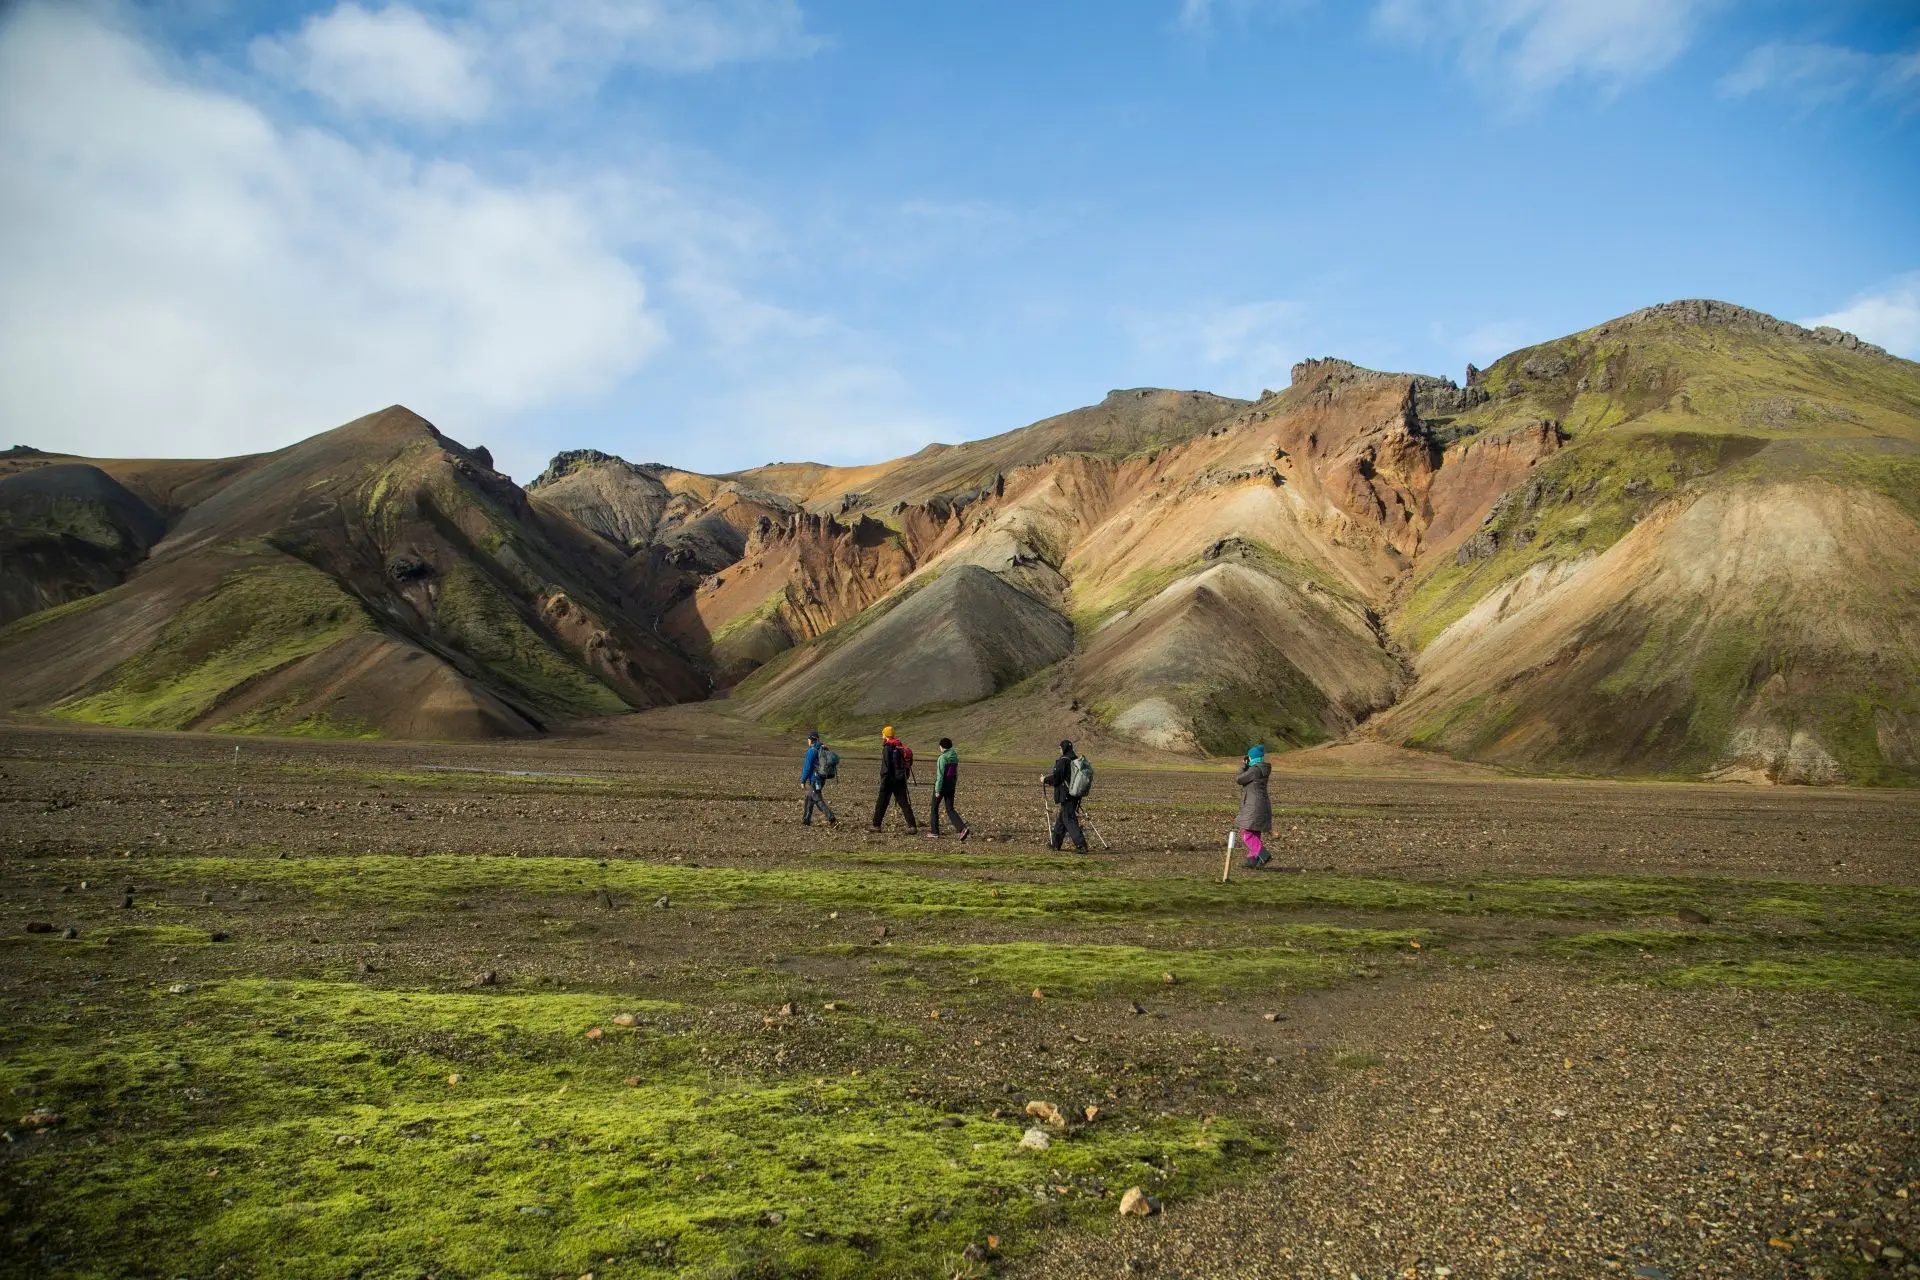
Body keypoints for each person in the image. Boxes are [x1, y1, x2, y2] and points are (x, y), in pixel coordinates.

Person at [1041, 738, 1088, 852]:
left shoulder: (1064, 760)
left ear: (1064, 748)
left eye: (1060, 748)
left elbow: (1057, 778)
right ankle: (1055, 844)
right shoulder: (1075, 759)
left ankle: (1081, 845)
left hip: (1067, 794)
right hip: (1075, 793)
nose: (1059, 750)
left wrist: (1045, 779)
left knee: (1069, 819)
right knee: (1062, 819)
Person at [871, 725, 918, 833]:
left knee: (881, 803)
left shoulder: (888, 747)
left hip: (889, 780)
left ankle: (876, 825)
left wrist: (883, 780)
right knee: (904, 803)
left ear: (885, 735)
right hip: (900, 779)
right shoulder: (899, 745)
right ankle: (912, 826)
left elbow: (887, 765)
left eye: (883, 733)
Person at [1237, 744, 1273, 870]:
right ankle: (1252, 860)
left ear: (1252, 757)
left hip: (1254, 805)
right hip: (1262, 804)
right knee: (1254, 832)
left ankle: (1263, 854)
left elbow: (1240, 779)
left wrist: (1244, 766)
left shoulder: (1255, 770)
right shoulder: (1263, 768)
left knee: (1246, 832)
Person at [927, 737, 970, 840]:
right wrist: (953, 784)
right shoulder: (954, 756)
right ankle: (962, 829)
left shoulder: (942, 758)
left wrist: (937, 790)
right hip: (951, 786)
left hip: (942, 786)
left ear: (942, 747)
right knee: (950, 809)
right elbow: (955, 773)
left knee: (934, 808)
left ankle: (935, 832)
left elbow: (940, 776)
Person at [800, 729, 836, 827]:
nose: (807, 741)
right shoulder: (823, 748)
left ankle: (832, 819)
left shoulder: (812, 751)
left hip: (814, 779)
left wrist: (802, 780)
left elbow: (807, 768)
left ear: (811, 740)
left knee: (817, 799)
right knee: (809, 798)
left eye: (808, 739)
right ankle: (806, 820)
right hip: (822, 778)